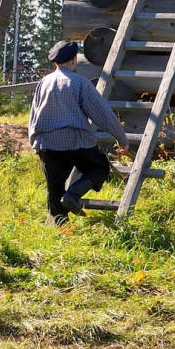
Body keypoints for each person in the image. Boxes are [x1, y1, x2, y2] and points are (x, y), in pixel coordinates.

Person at [26, 38, 131, 222]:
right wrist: (121, 138)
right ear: (74, 59)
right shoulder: (79, 82)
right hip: (75, 140)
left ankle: (59, 228)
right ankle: (73, 195)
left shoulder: (44, 82)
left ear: (55, 62)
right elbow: (102, 113)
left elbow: (33, 115)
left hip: (47, 143)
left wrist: (34, 142)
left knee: (55, 188)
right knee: (99, 168)